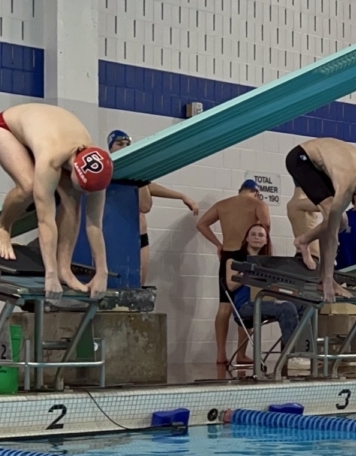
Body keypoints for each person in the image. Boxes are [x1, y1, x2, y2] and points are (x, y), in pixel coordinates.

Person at [0, 103, 114, 298]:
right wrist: (50, 275)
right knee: (28, 187)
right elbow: (46, 222)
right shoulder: (51, 161)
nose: (88, 194)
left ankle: (65, 269)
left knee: (73, 200)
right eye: (84, 188)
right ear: (75, 172)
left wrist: (102, 272)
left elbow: (94, 225)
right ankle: (2, 227)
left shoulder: (99, 167)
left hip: (46, 130)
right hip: (6, 128)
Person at [285, 138, 356, 305]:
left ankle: (303, 241)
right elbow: (333, 236)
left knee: (334, 219)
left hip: (323, 164)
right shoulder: (345, 188)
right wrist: (328, 279)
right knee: (340, 221)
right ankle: (306, 247)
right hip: (301, 158)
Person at [107, 130, 199, 285]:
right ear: (110, 148)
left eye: (127, 144)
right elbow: (145, 205)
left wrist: (181, 196)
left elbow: (147, 196)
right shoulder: (107, 173)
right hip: (117, 237)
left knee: (139, 284)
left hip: (140, 236)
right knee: (116, 284)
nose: (124, 147)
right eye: (119, 144)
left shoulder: (136, 175)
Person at [196, 180, 272, 364]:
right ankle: (241, 353)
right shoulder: (258, 204)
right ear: (256, 192)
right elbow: (266, 226)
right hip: (248, 256)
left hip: (227, 255)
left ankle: (220, 354)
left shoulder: (222, 204)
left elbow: (201, 224)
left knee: (224, 306)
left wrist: (218, 244)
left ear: (240, 191)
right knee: (250, 303)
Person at [223, 224, 307, 369]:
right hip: (245, 306)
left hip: (267, 302)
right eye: (253, 234)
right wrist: (250, 273)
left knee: (305, 305)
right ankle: (292, 356)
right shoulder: (234, 259)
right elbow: (230, 285)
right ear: (247, 238)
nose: (257, 237)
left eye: (261, 235)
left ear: (266, 240)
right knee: (286, 308)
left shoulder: (269, 262)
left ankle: (304, 352)